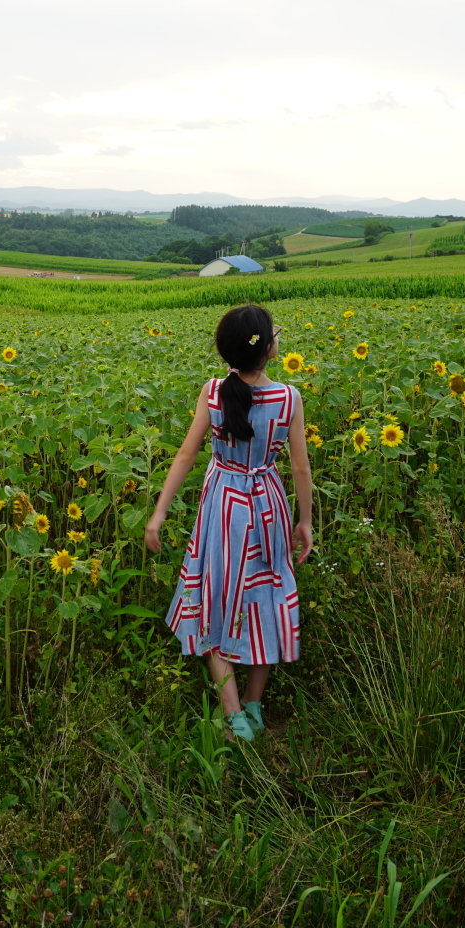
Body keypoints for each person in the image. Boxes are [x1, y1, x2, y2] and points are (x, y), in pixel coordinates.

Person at [143, 303, 315, 741]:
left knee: (213, 597)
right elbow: (300, 470)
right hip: (268, 507)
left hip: (222, 506)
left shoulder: (212, 391)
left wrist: (159, 513)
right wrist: (305, 521)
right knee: (266, 595)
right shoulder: (288, 398)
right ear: (269, 350)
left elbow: (185, 455)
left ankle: (234, 716)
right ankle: (254, 709)